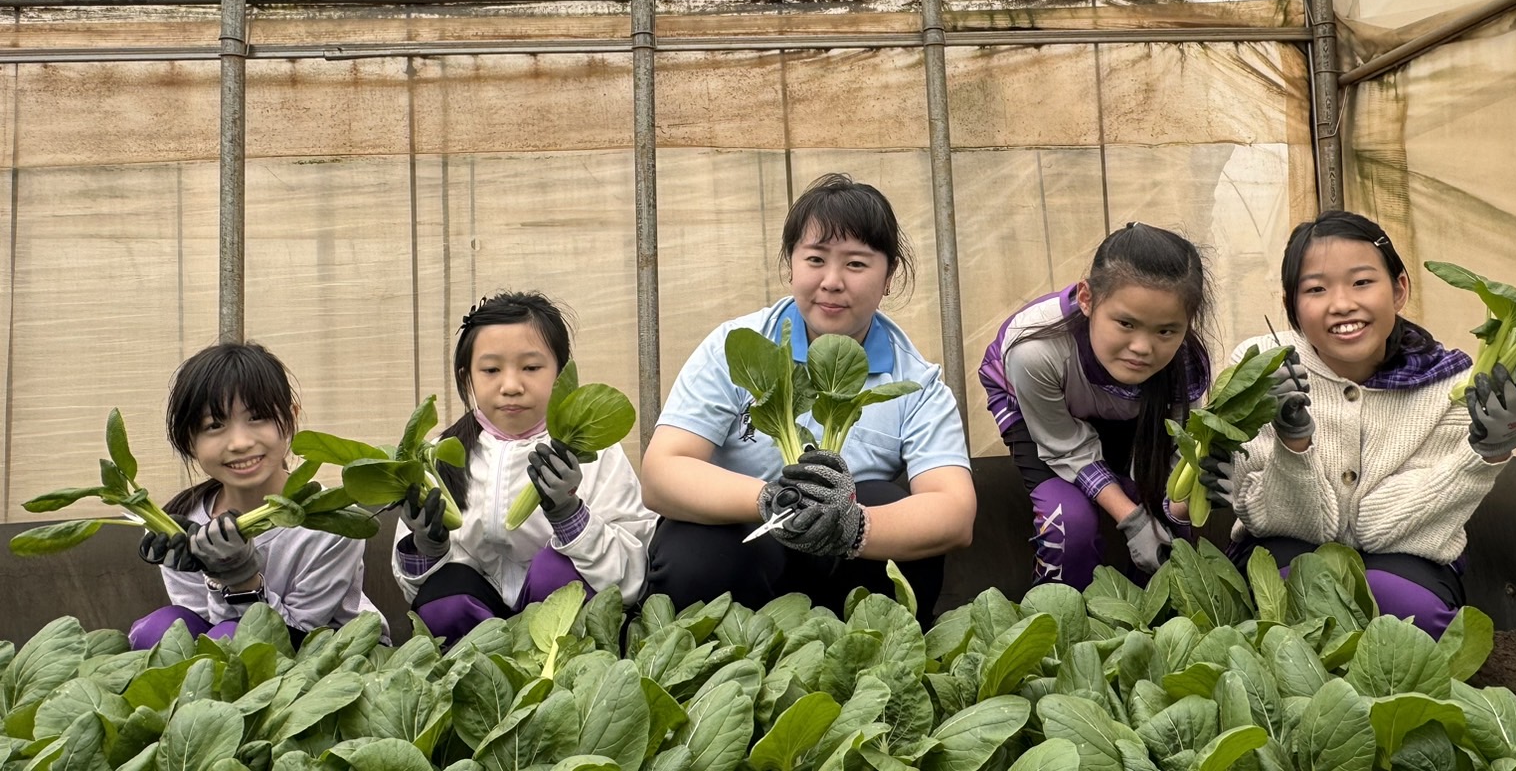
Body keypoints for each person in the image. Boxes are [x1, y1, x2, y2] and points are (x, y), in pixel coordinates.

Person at [642, 173, 975, 619]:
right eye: (816, 259)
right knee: (694, 551)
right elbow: (662, 472)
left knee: (879, 497)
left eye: (856, 264)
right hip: (747, 546)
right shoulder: (735, 346)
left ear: (889, 276)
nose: (832, 281)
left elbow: (954, 511)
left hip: (840, 564)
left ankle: (859, 660)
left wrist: (854, 527)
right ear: (791, 265)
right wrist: (770, 499)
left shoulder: (917, 381)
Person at [1199, 210, 1516, 636]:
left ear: (1398, 289)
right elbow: (1263, 512)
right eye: (1316, 289)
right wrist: (1293, 444)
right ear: (1291, 307)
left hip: (1406, 554)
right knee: (1292, 589)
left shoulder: (1450, 383)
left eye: (1362, 282)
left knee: (1408, 611)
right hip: (1281, 545)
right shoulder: (1261, 366)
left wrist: (1484, 455)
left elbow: (1379, 528)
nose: (1342, 304)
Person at [393, 291, 655, 644]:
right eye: (490, 370)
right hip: (477, 638)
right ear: (466, 375)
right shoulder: (440, 455)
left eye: (531, 368)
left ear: (561, 373)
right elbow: (417, 595)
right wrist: (427, 547)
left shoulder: (597, 452)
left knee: (556, 572)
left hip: (566, 642)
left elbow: (631, 578)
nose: (512, 386)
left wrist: (570, 515)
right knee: (446, 597)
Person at [978, 223, 1212, 589]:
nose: (1142, 347)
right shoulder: (1035, 350)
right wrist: (1133, 520)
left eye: (1166, 331)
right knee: (1069, 522)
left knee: (1169, 525)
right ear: (1087, 299)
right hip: (1045, 415)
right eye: (1125, 323)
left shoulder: (1185, 365)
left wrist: (1171, 511)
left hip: (1130, 408)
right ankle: (1063, 623)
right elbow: (1067, 446)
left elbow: (1175, 464)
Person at [130, 342, 383, 648]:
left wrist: (240, 580)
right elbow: (205, 630)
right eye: (214, 425)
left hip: (335, 653)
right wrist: (211, 573)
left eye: (257, 417)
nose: (239, 442)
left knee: (233, 637)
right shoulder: (183, 525)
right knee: (157, 631)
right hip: (231, 648)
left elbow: (301, 633)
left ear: (291, 418)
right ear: (188, 440)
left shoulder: (331, 520)